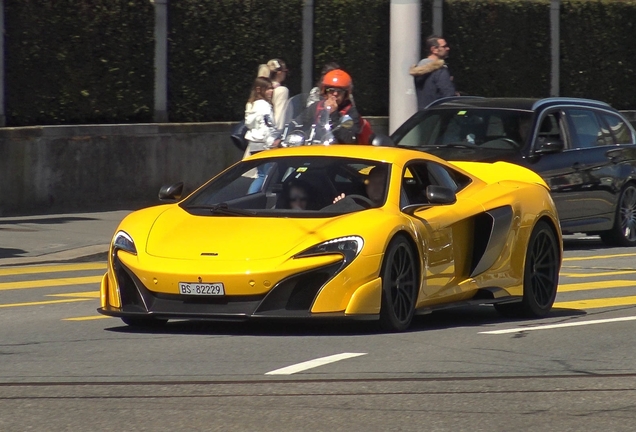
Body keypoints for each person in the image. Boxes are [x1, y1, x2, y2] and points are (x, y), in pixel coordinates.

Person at [294, 69, 362, 144]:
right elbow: (297, 122)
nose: (335, 94)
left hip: (336, 151)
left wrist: (333, 114)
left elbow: (349, 139)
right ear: (325, 91)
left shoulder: (350, 112)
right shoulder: (316, 107)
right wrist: (282, 135)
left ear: (346, 94)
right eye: (331, 90)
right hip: (314, 148)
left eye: (340, 91)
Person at [244, 77, 280, 193]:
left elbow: (250, 124)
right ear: (259, 89)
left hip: (254, 145)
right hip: (264, 144)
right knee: (265, 175)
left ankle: (251, 197)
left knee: (261, 173)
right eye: (268, 88)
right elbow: (268, 126)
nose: (271, 91)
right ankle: (250, 198)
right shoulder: (264, 106)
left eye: (271, 88)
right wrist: (273, 141)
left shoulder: (252, 104)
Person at [410, 35, 457, 110]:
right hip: (439, 114)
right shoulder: (440, 70)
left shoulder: (419, 70)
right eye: (444, 46)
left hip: (424, 115)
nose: (448, 48)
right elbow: (448, 95)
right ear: (434, 49)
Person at [267, 59, 290, 130]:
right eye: (285, 71)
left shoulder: (262, 88)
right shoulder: (282, 90)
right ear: (279, 73)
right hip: (273, 132)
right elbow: (280, 114)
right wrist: (278, 133)